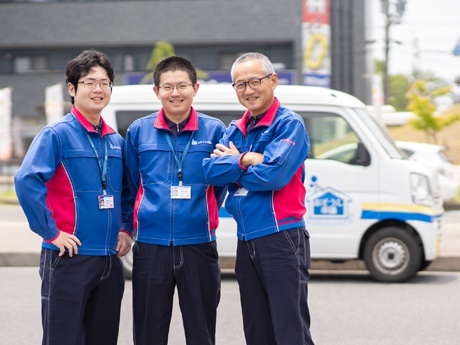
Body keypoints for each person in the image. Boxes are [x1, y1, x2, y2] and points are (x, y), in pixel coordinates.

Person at [14, 49, 133, 345]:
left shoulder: (116, 141)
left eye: (104, 83)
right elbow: (26, 181)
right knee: (63, 338)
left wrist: (126, 228)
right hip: (69, 259)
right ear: (72, 88)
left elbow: (128, 190)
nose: (98, 89)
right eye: (90, 82)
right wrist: (50, 232)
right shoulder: (56, 134)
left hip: (109, 260)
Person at [203, 52, 314, 345]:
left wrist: (234, 166)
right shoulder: (236, 128)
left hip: (282, 237)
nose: (248, 90)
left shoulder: (289, 124)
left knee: (290, 329)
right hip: (247, 239)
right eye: (240, 85)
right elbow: (210, 172)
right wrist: (247, 160)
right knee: (256, 330)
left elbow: (274, 177)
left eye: (254, 81)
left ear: (273, 80)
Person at [124, 56, 227, 345]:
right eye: (167, 86)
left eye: (182, 85)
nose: (175, 93)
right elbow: (133, 183)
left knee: (201, 330)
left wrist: (201, 214)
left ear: (195, 88)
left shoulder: (215, 130)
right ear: (156, 91)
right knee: (148, 332)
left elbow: (220, 185)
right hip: (150, 246)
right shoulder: (138, 131)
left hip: (199, 245)